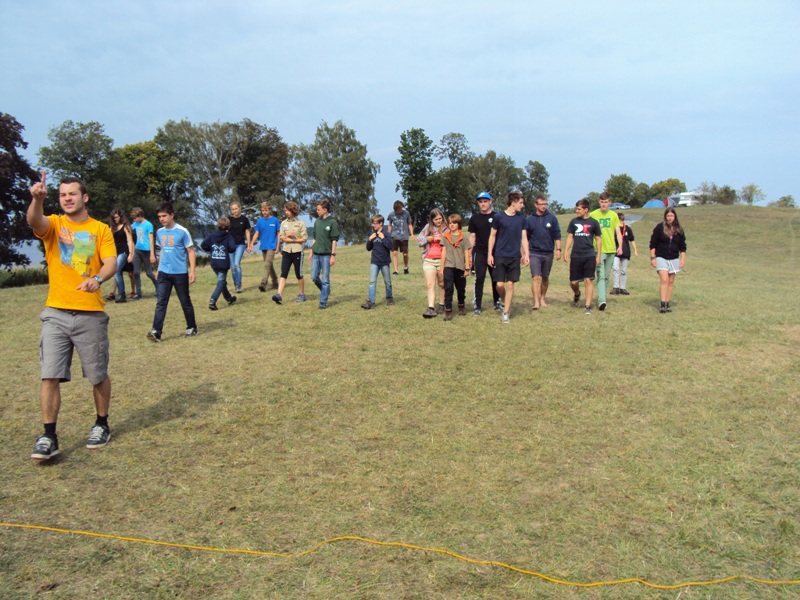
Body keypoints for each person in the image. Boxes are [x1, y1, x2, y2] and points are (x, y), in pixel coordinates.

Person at [26, 172, 117, 461]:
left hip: (91, 313)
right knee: (50, 374)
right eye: (62, 194)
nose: (67, 198)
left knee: (97, 374)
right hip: (56, 312)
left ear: (84, 197)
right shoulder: (54, 224)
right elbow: (34, 221)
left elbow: (111, 262)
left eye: (72, 194)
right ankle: (48, 436)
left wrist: (97, 280)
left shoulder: (100, 229)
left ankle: (101, 424)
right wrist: (37, 200)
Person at [147, 202, 198, 341]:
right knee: (161, 302)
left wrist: (192, 271)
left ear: (172, 215)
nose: (161, 219)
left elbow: (190, 251)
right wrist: (158, 269)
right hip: (164, 272)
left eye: (164, 216)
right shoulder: (159, 232)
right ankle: (156, 331)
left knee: (185, 301)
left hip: (179, 273)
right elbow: (162, 250)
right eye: (159, 217)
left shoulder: (182, 231)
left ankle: (191, 327)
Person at [488, 191, 529, 323]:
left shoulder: (522, 219)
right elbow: (492, 236)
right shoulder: (498, 217)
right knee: (499, 285)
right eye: (521, 203)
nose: (522, 205)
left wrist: (526, 254)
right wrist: (490, 254)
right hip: (500, 255)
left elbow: (524, 238)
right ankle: (505, 300)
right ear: (513, 203)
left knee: (510, 284)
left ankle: (506, 313)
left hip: (514, 256)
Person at [564, 198, 603, 315]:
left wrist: (598, 255)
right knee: (574, 282)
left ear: (586, 210)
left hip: (589, 255)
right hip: (576, 255)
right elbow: (570, 236)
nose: (577, 211)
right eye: (576, 209)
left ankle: (587, 306)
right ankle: (577, 293)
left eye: (579, 209)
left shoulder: (594, 223)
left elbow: (598, 239)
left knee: (588, 280)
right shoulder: (573, 222)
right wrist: (566, 251)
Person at [525, 195, 562, 310]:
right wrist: (524, 253)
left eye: (545, 204)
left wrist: (558, 249)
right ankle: (536, 302)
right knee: (536, 277)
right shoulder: (529, 219)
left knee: (545, 277)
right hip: (534, 252)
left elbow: (557, 235)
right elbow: (525, 238)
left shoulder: (552, 218)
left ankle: (542, 298)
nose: (544, 206)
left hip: (548, 252)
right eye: (541, 204)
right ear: (536, 205)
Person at [468, 191, 501, 315]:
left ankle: (497, 302)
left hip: (495, 252)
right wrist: (469, 254)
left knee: (496, 278)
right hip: (480, 252)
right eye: (480, 202)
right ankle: (477, 305)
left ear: (490, 202)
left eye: (485, 201)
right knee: (479, 278)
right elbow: (472, 236)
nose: (483, 204)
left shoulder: (497, 216)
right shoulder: (474, 218)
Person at [589, 192, 622, 311]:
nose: (604, 204)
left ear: (610, 202)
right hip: (598, 249)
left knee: (607, 276)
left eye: (606, 202)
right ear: (599, 202)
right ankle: (601, 301)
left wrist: (620, 246)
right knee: (601, 275)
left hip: (611, 249)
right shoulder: (593, 215)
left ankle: (603, 298)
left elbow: (618, 232)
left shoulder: (613, 215)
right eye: (602, 202)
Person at [649, 208, 687, 313]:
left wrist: (683, 259)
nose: (670, 218)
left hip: (674, 258)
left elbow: (682, 246)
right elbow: (653, 244)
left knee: (670, 281)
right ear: (665, 216)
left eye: (671, 216)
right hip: (661, 256)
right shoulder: (659, 228)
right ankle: (662, 304)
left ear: (675, 217)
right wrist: (653, 258)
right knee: (664, 280)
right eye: (668, 216)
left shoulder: (679, 230)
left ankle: (667, 303)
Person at [272, 201, 307, 305]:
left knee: (298, 274)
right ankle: (279, 294)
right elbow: (282, 237)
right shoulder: (283, 223)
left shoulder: (300, 223)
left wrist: (292, 239)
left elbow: (304, 238)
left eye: (287, 210)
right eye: (285, 210)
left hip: (297, 252)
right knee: (283, 273)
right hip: (286, 251)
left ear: (293, 210)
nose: (286, 212)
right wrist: (288, 236)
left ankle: (302, 294)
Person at [200, 216, 238, 310]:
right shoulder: (228, 236)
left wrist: (211, 250)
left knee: (222, 281)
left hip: (214, 262)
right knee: (221, 282)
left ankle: (229, 298)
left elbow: (203, 245)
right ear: (228, 226)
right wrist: (227, 249)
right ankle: (212, 301)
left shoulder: (212, 235)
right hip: (223, 263)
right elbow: (232, 248)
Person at [439, 214, 472, 321]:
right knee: (448, 288)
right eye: (450, 223)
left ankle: (461, 306)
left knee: (461, 289)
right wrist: (442, 268)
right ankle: (448, 311)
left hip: (460, 267)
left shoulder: (464, 238)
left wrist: (467, 268)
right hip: (448, 266)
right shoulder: (445, 237)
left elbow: (466, 253)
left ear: (459, 224)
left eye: (454, 223)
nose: (452, 225)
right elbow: (443, 252)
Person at [309, 198, 339, 309]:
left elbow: (334, 240)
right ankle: (325, 290)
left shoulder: (332, 222)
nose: (317, 211)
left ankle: (323, 302)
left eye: (318, 209)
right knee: (314, 276)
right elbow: (314, 238)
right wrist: (311, 252)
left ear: (325, 210)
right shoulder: (317, 222)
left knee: (326, 279)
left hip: (326, 255)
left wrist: (333, 256)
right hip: (316, 254)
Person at [417, 208, 447, 318]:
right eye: (435, 219)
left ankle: (442, 304)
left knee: (442, 283)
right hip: (429, 259)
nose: (438, 221)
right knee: (430, 284)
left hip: (443, 260)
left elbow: (453, 241)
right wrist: (427, 239)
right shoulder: (427, 227)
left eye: (439, 218)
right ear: (432, 220)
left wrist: (442, 239)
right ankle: (431, 308)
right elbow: (419, 241)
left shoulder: (447, 228)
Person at [361, 214, 394, 309]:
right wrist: (369, 240)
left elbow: (390, 246)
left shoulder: (386, 234)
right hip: (374, 261)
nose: (373, 225)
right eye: (372, 223)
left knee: (387, 282)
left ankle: (389, 298)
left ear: (381, 223)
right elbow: (368, 248)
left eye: (375, 223)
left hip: (384, 262)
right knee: (372, 282)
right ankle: (371, 301)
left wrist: (383, 238)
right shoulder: (373, 234)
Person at [249, 201, 280, 292]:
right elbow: (256, 233)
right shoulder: (260, 221)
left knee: (267, 265)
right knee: (269, 265)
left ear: (269, 210)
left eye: (266, 210)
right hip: (263, 246)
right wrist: (251, 243)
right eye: (263, 210)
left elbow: (278, 234)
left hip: (272, 246)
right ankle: (275, 282)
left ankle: (263, 283)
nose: (264, 212)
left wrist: (277, 246)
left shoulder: (275, 220)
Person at [130, 207, 158, 298]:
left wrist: (152, 254)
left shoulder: (148, 225)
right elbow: (127, 228)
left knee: (149, 273)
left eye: (135, 218)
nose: (134, 220)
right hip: (137, 250)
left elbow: (151, 239)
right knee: (136, 272)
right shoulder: (135, 224)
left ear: (140, 216)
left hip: (146, 251)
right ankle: (138, 293)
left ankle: (159, 288)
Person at [108, 208, 134, 303]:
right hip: (115, 252)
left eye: (117, 217)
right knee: (116, 272)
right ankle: (120, 293)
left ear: (120, 216)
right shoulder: (112, 228)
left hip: (124, 251)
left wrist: (131, 254)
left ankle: (121, 294)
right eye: (113, 217)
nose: (115, 219)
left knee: (117, 270)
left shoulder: (126, 227)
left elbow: (130, 241)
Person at [611, 212, 639, 296]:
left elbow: (632, 240)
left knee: (624, 271)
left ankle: (622, 288)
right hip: (615, 252)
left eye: (622, 220)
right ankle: (615, 287)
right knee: (615, 268)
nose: (621, 222)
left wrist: (635, 250)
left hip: (626, 252)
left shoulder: (628, 229)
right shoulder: (614, 229)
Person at [228, 201, 251, 293]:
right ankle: (236, 284)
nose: (235, 211)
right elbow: (225, 231)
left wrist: (248, 244)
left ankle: (239, 285)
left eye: (236, 209)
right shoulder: (228, 219)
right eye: (233, 209)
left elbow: (247, 232)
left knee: (237, 264)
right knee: (232, 266)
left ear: (240, 208)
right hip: (230, 245)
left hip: (240, 244)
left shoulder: (244, 219)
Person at [387, 200, 414, 275]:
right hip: (394, 236)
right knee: (394, 253)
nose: (401, 210)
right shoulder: (391, 215)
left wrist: (412, 234)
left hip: (404, 236)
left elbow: (409, 224)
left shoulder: (406, 213)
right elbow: (389, 225)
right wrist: (388, 234)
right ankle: (396, 270)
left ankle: (405, 267)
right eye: (399, 208)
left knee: (405, 254)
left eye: (401, 208)